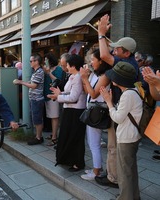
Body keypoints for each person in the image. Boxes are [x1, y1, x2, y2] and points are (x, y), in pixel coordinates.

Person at [95, 14, 139, 188]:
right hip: (123, 113)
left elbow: (105, 56)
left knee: (116, 149)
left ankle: (114, 179)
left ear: (126, 53)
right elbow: (108, 53)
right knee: (117, 150)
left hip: (122, 114)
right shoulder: (128, 61)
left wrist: (100, 34)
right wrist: (104, 36)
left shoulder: (127, 65)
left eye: (118, 49)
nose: (114, 51)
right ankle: (115, 176)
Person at [100, 61, 142, 200]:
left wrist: (108, 102)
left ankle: (125, 198)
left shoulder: (127, 95)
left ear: (120, 79)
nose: (111, 79)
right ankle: (133, 196)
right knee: (130, 171)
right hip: (132, 136)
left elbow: (117, 118)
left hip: (126, 138)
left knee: (124, 173)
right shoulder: (133, 91)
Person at [47, 54, 86, 171]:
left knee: (75, 137)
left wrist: (58, 97)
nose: (65, 67)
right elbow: (68, 93)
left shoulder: (78, 77)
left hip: (76, 111)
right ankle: (68, 159)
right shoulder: (72, 76)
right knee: (67, 135)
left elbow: (73, 97)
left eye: (67, 65)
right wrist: (59, 93)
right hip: (69, 110)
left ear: (73, 66)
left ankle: (77, 162)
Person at [79, 48, 112, 180]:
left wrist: (85, 78)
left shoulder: (105, 76)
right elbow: (87, 91)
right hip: (92, 110)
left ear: (101, 61)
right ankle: (96, 168)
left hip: (98, 112)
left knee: (94, 143)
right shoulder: (95, 74)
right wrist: (85, 78)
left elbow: (93, 94)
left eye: (93, 59)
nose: (91, 62)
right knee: (92, 142)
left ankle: (97, 171)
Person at [13, 54, 45, 145]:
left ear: (37, 61)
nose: (30, 63)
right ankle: (38, 136)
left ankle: (39, 137)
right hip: (34, 98)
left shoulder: (39, 72)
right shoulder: (35, 71)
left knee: (37, 119)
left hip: (37, 99)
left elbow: (34, 85)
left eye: (31, 61)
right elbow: (32, 83)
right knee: (36, 119)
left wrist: (20, 82)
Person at [42, 52, 64, 146]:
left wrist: (48, 73)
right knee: (51, 116)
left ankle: (55, 137)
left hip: (54, 95)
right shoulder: (48, 69)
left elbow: (57, 80)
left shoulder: (58, 69)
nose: (45, 61)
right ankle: (53, 134)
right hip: (47, 95)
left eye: (47, 60)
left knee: (54, 117)